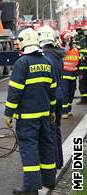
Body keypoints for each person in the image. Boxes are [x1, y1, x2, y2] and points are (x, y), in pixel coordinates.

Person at [4, 28, 57, 195]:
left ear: (23, 43)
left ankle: (31, 187)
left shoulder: (22, 63)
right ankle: (49, 180)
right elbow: (53, 90)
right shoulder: (47, 62)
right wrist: (53, 110)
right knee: (46, 145)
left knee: (29, 149)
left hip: (27, 119)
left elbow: (15, 91)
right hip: (44, 115)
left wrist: (8, 113)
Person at [37, 25, 65, 169]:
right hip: (59, 94)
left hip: (51, 96)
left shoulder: (46, 57)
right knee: (56, 129)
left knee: (49, 131)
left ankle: (51, 163)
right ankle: (59, 161)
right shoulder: (57, 54)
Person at [60, 33, 79, 118]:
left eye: (69, 38)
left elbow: (78, 62)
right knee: (65, 93)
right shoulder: (61, 49)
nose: (68, 40)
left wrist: (80, 73)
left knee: (71, 93)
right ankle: (64, 112)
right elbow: (61, 56)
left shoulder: (75, 50)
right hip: (64, 75)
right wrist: (66, 47)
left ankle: (68, 109)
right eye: (66, 38)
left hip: (73, 75)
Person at [77, 26, 87, 104]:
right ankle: (84, 100)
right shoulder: (81, 41)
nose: (85, 32)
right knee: (82, 84)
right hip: (82, 68)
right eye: (84, 30)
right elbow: (78, 53)